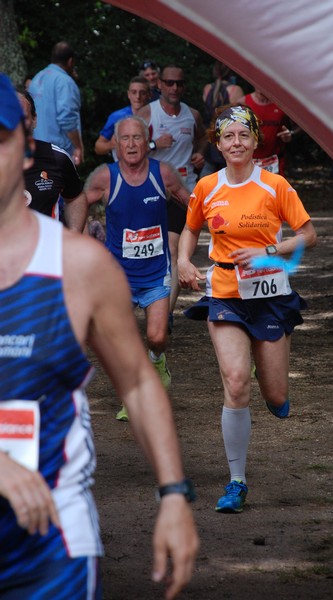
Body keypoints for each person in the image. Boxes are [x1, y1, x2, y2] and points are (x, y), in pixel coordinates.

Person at [0, 73, 198, 599]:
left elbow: (135, 382)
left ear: (27, 153)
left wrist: (174, 494)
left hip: (53, 542)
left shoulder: (79, 267)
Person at [177, 105, 317, 514]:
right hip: (225, 292)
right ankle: (237, 482)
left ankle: (272, 383)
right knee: (236, 381)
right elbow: (190, 229)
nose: (235, 143)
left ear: (256, 141)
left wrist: (269, 250)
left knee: (275, 396)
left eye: (243, 135)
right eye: (228, 136)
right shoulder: (206, 187)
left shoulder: (275, 186)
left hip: (270, 293)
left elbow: (309, 235)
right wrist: (184, 261)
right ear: (217, 144)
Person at [84, 115, 190, 420]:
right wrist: (84, 231)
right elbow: (77, 203)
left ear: (148, 142)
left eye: (137, 138)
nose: (131, 144)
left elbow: (194, 205)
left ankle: (157, 360)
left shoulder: (164, 174)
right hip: (118, 277)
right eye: (125, 139)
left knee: (156, 336)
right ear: (116, 145)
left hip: (156, 272)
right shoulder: (106, 177)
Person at [137, 65, 207, 331]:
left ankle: (165, 314)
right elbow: (127, 148)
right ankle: (150, 302)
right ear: (161, 86)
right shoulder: (147, 113)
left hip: (182, 193)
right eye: (169, 83)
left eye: (179, 83)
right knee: (150, 253)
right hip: (151, 193)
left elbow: (202, 139)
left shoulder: (193, 115)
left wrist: (200, 154)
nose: (174, 88)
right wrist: (154, 145)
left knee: (174, 250)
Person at [18, 89, 88, 232]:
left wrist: (74, 233)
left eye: (22, 118)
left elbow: (75, 197)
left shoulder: (57, 158)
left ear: (34, 119)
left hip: (45, 251)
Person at [29, 41, 84, 166]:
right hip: (58, 153)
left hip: (36, 150)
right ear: (70, 61)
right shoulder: (65, 81)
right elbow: (67, 119)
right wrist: (78, 147)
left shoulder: (37, 78)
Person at [236, 88, 297, 176]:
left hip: (274, 161)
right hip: (248, 160)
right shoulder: (243, 103)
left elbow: (302, 126)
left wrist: (291, 133)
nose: (261, 89)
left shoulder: (282, 104)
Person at [201, 61, 244, 177]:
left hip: (210, 138)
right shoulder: (235, 90)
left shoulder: (207, 88)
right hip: (228, 138)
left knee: (208, 170)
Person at [94, 76, 151, 160]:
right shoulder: (117, 116)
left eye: (142, 93)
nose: (138, 97)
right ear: (128, 94)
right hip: (123, 170)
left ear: (149, 95)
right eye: (134, 92)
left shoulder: (158, 114)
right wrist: (111, 144)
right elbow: (98, 147)